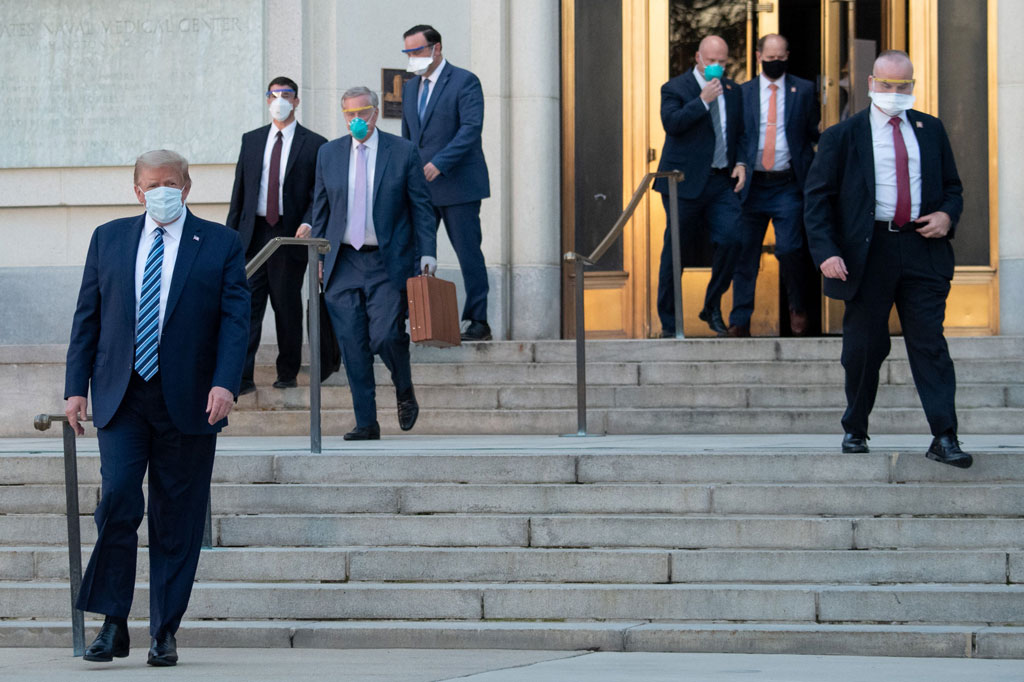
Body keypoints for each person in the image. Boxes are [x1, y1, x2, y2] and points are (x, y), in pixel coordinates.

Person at [64, 150, 250, 665]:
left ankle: (164, 631)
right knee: (118, 500)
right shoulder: (110, 237)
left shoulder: (220, 243)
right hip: (122, 395)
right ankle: (113, 622)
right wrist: (75, 386)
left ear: (187, 187)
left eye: (170, 182)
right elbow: (88, 316)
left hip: (191, 400)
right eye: (151, 184)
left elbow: (237, 321)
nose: (161, 191)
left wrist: (225, 384)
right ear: (136, 190)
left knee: (177, 518)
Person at [803, 50, 970, 467]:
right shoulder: (843, 136)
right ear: (871, 84)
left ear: (912, 86)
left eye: (903, 86)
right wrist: (826, 252)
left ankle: (945, 436)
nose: (895, 93)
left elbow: (953, 187)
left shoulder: (930, 130)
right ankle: (855, 428)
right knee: (863, 348)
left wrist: (947, 215)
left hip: (921, 250)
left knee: (929, 344)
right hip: (867, 253)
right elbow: (817, 199)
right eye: (888, 85)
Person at [312, 87, 437, 440]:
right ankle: (366, 421)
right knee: (352, 344)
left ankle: (403, 387)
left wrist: (428, 252)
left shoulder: (403, 152)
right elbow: (321, 209)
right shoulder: (329, 154)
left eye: (362, 112)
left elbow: (421, 208)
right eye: (348, 114)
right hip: (343, 262)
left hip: (387, 260)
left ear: (376, 113)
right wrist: (319, 257)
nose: (356, 120)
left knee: (385, 335)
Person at [226, 76, 328, 394]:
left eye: (287, 95)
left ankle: (287, 371)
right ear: (267, 99)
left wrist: (311, 222)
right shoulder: (252, 140)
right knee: (247, 306)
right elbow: (240, 191)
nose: (280, 100)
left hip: (289, 233)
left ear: (297, 101)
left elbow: (319, 192)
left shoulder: (314, 143)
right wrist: (230, 239)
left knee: (286, 305)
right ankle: (242, 376)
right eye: (274, 94)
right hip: (253, 233)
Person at [401, 24, 492, 341]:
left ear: (436, 48)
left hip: (458, 185)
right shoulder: (411, 88)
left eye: (417, 51)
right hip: (422, 187)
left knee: (468, 253)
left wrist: (439, 163)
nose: (412, 57)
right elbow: (408, 138)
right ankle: (416, 318)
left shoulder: (464, 81)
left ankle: (478, 321)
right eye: (407, 52)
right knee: (416, 253)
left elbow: (470, 129)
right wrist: (406, 172)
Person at [654, 35, 746, 337]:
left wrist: (742, 163)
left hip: (720, 182)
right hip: (682, 183)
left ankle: (711, 304)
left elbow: (742, 132)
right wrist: (703, 100)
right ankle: (669, 324)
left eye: (722, 62)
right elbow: (673, 123)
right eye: (711, 61)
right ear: (698, 58)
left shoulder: (733, 90)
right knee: (675, 253)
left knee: (733, 238)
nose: (717, 67)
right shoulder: (675, 88)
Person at [729, 34, 819, 337]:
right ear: (758, 57)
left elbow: (810, 132)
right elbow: (738, 136)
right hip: (752, 186)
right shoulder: (743, 93)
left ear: (787, 56)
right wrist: (739, 164)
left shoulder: (804, 90)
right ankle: (740, 320)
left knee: (792, 249)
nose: (776, 62)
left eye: (781, 57)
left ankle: (798, 307)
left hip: (787, 185)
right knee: (745, 253)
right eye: (770, 58)